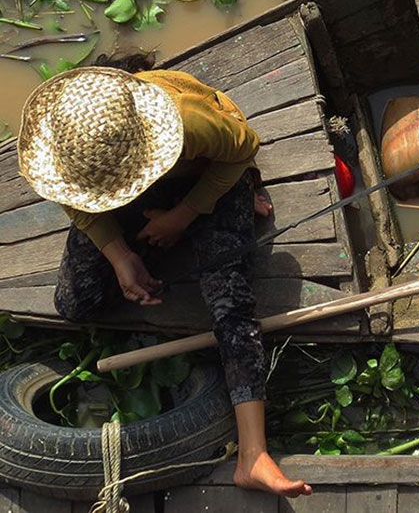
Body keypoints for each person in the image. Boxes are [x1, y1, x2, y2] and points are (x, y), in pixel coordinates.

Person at [17, 53, 312, 499]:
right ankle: (157, 220)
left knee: (229, 300)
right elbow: (76, 203)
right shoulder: (66, 156)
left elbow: (243, 147)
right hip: (130, 189)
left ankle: (252, 455)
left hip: (206, 173)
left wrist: (182, 215)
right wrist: (118, 255)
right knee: (76, 303)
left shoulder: (189, 121)